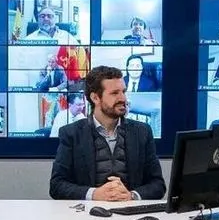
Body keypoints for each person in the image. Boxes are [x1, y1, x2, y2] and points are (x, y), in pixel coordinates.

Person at [49, 65, 165, 201]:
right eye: (115, 93)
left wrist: (131, 196)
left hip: (130, 211)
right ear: (95, 98)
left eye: (123, 91)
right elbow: (57, 186)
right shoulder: (71, 134)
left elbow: (158, 185)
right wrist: (94, 194)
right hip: (89, 212)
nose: (123, 99)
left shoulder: (142, 132)